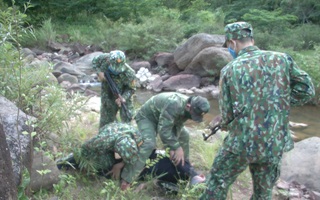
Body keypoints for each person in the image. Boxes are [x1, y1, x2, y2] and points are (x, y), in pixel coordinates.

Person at [200, 22, 315, 200]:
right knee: (263, 193)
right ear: (252, 39)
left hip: (241, 144)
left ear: (232, 43)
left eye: (229, 46)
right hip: (273, 143)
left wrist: (223, 124)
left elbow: (228, 115)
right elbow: (307, 90)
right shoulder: (282, 59)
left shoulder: (230, 69)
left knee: (217, 183)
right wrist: (279, 104)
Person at [56, 122, 205, 189]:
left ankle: (194, 177)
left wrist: (120, 164)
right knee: (101, 166)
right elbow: (85, 151)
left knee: (112, 170)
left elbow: (142, 154)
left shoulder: (141, 139)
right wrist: (118, 163)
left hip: (144, 159)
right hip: (125, 152)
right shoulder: (101, 142)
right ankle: (61, 164)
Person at [120, 92, 211, 190]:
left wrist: (172, 148)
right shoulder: (174, 104)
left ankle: (184, 164)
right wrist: (176, 147)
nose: (192, 117)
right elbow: (163, 130)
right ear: (189, 106)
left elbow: (178, 127)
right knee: (149, 144)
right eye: (194, 114)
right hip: (148, 118)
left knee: (185, 135)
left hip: (164, 119)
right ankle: (126, 179)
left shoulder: (188, 108)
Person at [92, 50, 136, 128]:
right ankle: (105, 137)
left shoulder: (130, 73)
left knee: (127, 117)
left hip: (123, 94)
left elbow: (131, 89)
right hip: (107, 91)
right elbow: (94, 61)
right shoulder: (105, 58)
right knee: (106, 120)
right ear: (109, 60)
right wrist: (99, 73)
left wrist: (123, 98)